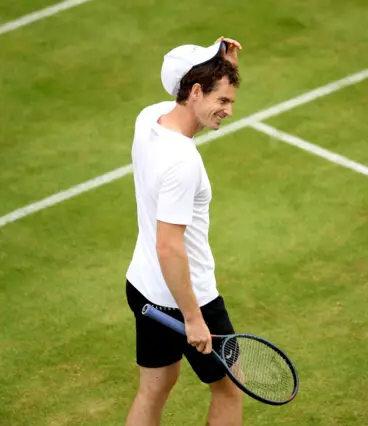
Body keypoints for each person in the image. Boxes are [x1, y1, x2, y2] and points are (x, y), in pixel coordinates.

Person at [124, 36, 243, 426]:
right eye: (222, 101)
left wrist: (222, 65)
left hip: (144, 287)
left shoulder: (150, 118)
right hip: (190, 297)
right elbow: (169, 247)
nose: (227, 111)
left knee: (155, 388)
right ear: (195, 90)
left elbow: (189, 87)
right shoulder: (182, 163)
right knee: (230, 388)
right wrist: (193, 318)